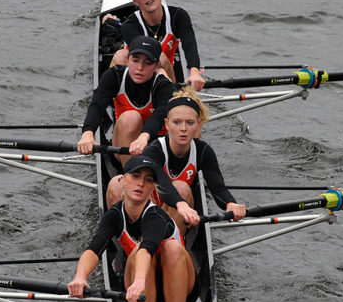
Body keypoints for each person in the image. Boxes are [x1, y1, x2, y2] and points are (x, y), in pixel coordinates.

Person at [68, 154, 195, 302]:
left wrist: (139, 282)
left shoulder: (156, 216)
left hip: (179, 288)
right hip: (140, 293)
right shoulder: (114, 215)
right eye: (136, 176)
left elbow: (146, 249)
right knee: (137, 251)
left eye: (148, 180)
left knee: (170, 248)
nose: (141, 183)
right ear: (122, 181)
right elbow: (94, 249)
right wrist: (80, 277)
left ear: (152, 189)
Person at [106, 88, 247, 233]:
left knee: (181, 188)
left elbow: (218, 187)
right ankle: (131, 235)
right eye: (177, 122)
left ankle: (171, 242)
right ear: (167, 124)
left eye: (190, 123)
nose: (183, 129)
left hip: (176, 210)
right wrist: (180, 204)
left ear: (199, 124)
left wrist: (230, 204)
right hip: (147, 205)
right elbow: (161, 181)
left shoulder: (204, 151)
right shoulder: (154, 151)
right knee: (116, 184)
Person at [77, 34, 177, 167]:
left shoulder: (164, 86)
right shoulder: (114, 76)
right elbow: (97, 105)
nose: (140, 68)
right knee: (131, 117)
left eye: (147, 63)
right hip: (123, 148)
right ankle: (131, 174)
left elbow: (159, 116)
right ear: (128, 59)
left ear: (156, 66)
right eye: (135, 60)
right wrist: (87, 133)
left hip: (154, 145)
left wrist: (143, 137)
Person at [104, 0, 206, 91]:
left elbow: (190, 45)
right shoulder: (129, 25)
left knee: (161, 61)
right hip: (137, 77)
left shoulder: (178, 16)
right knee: (122, 56)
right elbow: (146, 54)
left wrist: (194, 71)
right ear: (134, 0)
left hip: (167, 74)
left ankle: (172, 96)